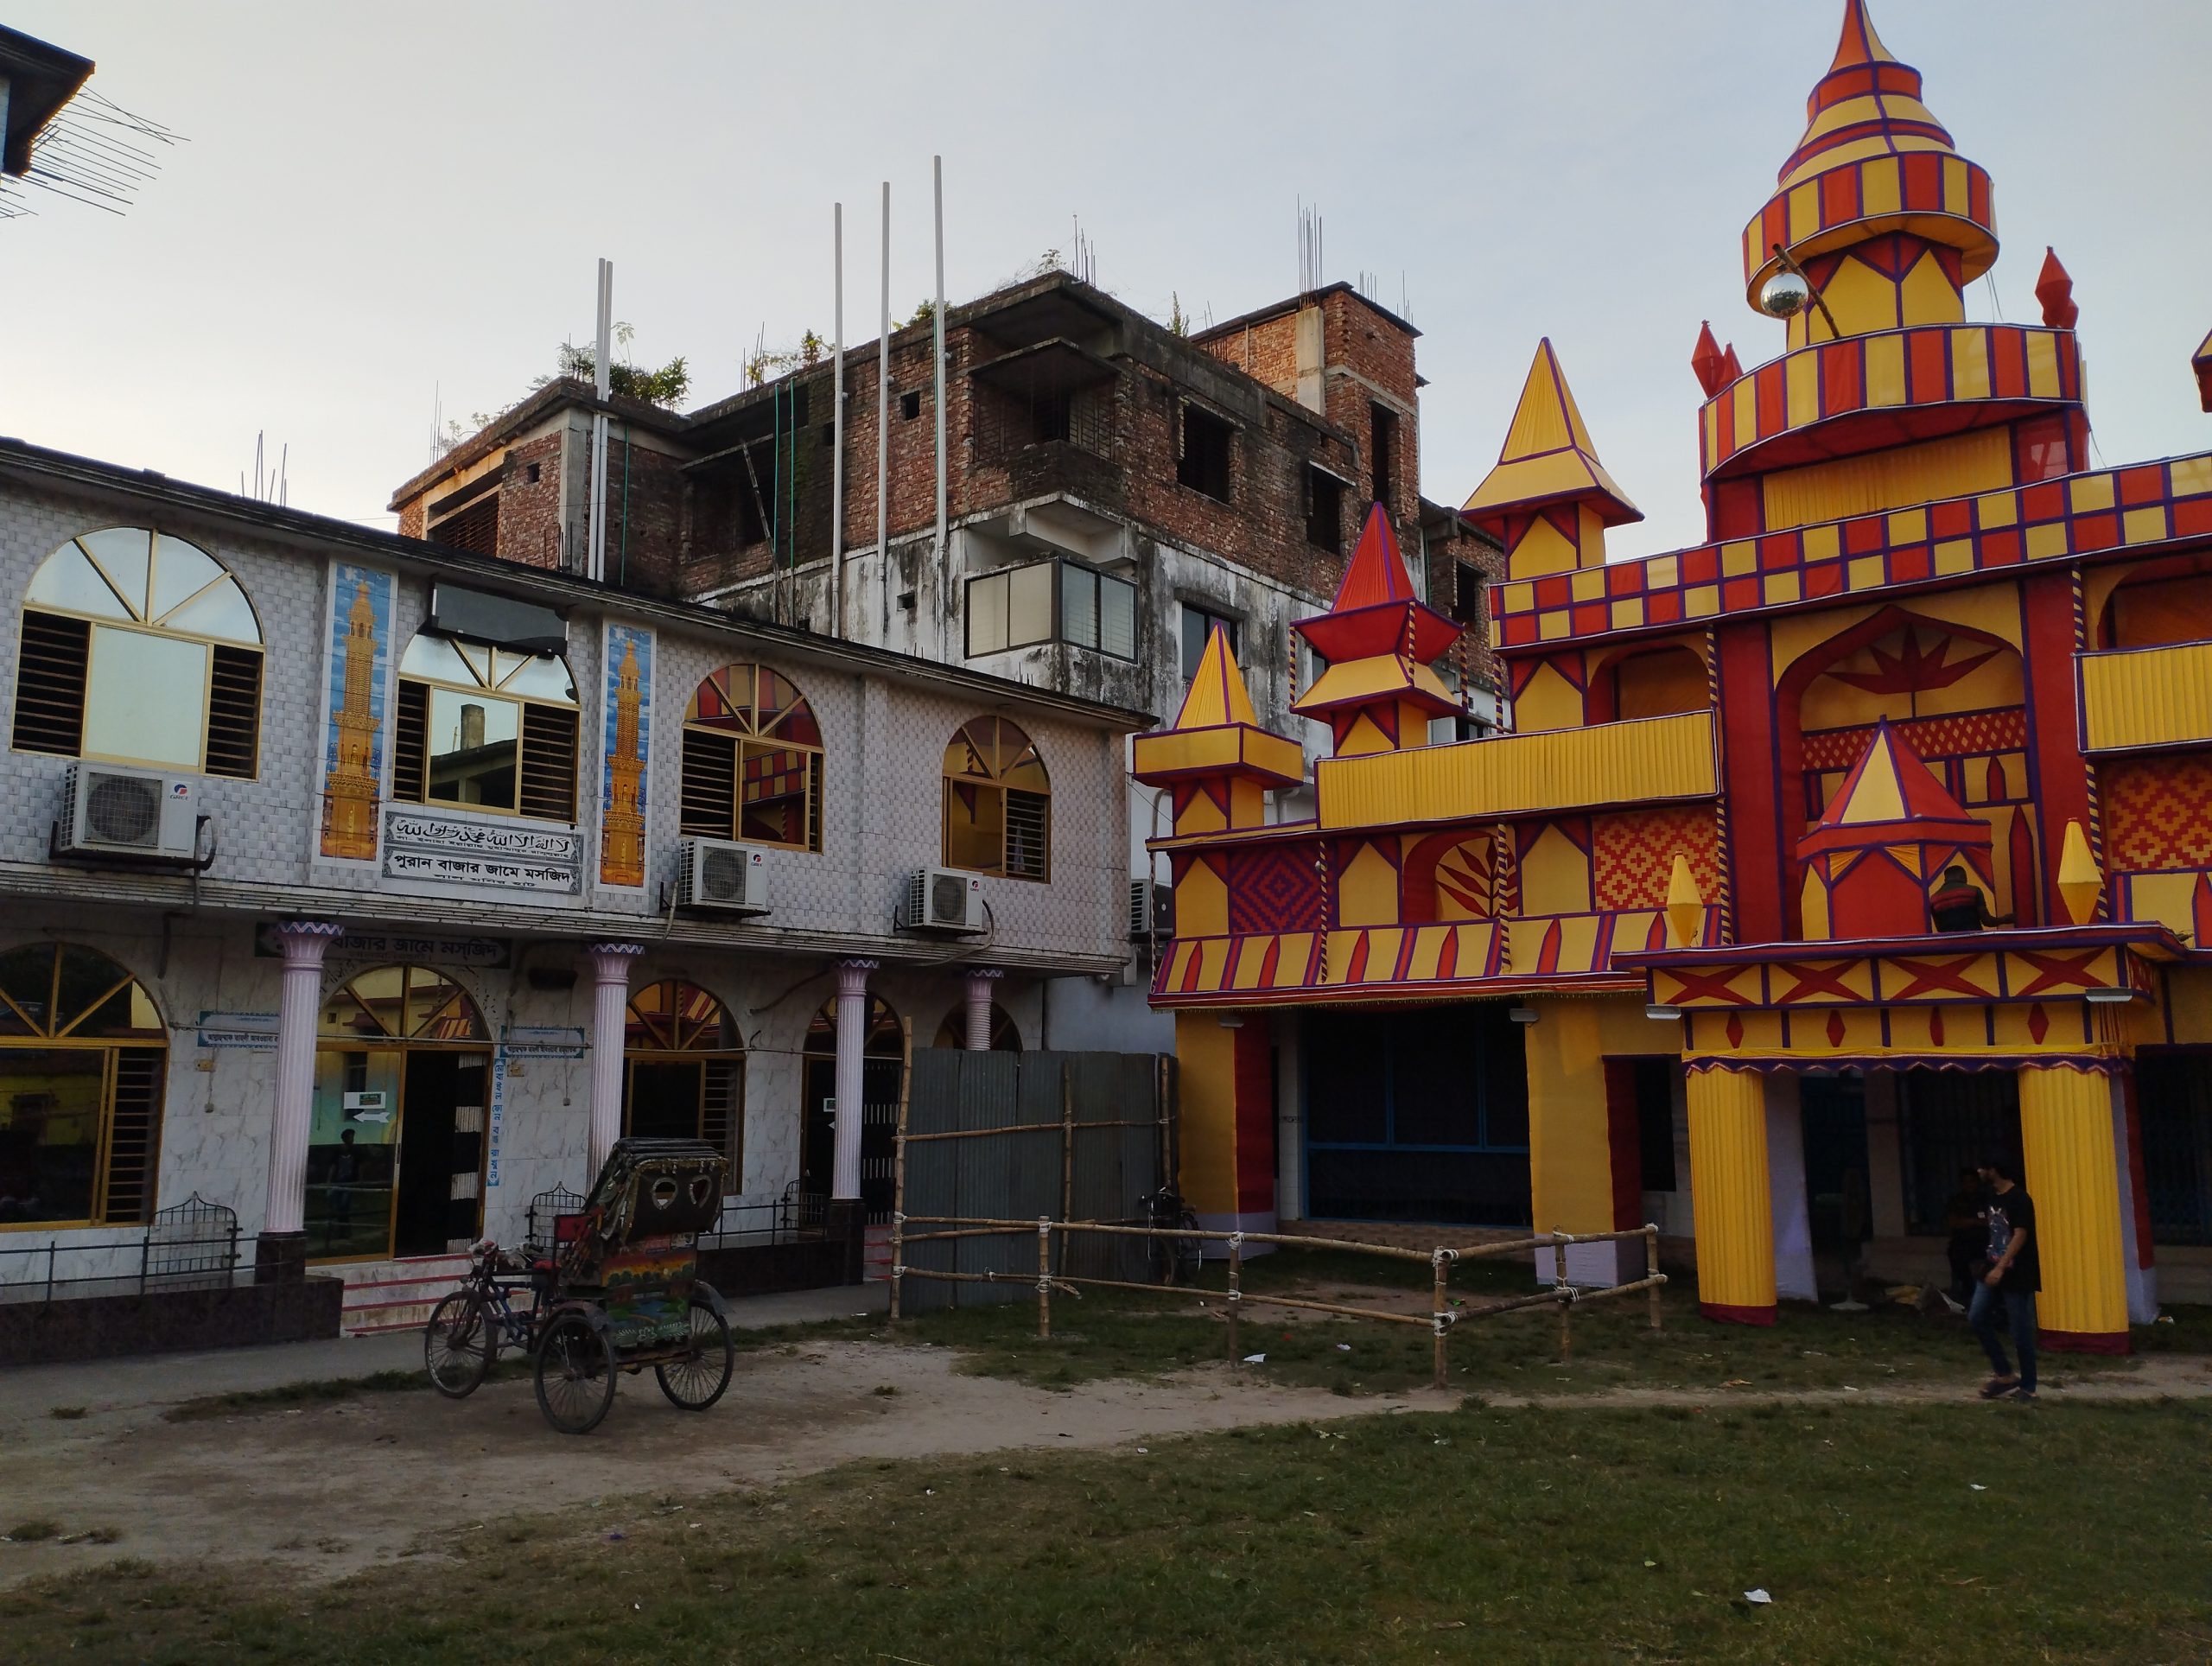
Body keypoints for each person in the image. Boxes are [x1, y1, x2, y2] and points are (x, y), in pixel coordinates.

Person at [1969, 1156, 2039, 1401]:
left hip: (2016, 1271)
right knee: (1977, 1316)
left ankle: (2028, 1386)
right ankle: (2004, 1373)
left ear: (1995, 1170)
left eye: (1983, 1167)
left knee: (2020, 1329)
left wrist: (2001, 1267)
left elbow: (2020, 1234)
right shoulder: (1991, 1196)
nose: (1979, 1171)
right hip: (1992, 1265)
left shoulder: (2019, 1198)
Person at [1942, 1167, 1986, 1308]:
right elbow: (1954, 1222)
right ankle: (1966, 1296)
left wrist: (1970, 1222)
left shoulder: (1984, 1199)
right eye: (1966, 1182)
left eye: (1972, 1181)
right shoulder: (1956, 1201)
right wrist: (1974, 1222)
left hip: (1983, 1243)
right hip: (1962, 1244)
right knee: (1958, 1260)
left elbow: (1991, 1221)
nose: (1969, 1185)